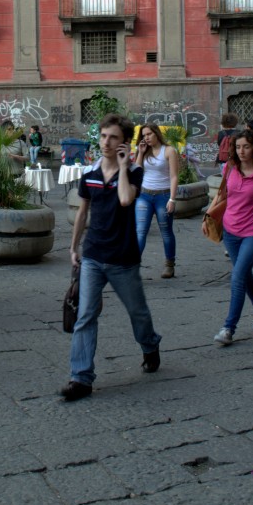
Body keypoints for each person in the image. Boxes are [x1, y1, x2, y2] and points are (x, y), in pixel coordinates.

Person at [61, 113, 162, 401]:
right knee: (85, 315)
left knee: (137, 313)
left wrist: (122, 167)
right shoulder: (89, 176)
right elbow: (82, 213)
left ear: (124, 143)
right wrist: (73, 247)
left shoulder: (135, 174)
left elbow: (126, 199)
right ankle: (80, 378)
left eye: (113, 137)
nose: (106, 142)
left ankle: (150, 344)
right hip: (93, 255)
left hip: (123, 258)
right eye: (103, 136)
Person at [205, 129, 253, 346]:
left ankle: (228, 328)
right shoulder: (231, 168)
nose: (241, 151)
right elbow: (222, 194)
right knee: (244, 275)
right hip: (230, 232)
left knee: (237, 276)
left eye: (246, 147)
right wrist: (208, 216)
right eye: (238, 147)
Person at [134, 123, 181, 279]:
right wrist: (140, 153)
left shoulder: (169, 151)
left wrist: (172, 199)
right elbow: (137, 171)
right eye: (144, 135)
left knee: (166, 233)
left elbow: (174, 176)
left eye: (149, 134)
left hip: (163, 196)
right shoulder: (144, 151)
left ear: (156, 133)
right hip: (144, 196)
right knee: (140, 232)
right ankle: (133, 267)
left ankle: (169, 265)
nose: (146, 138)